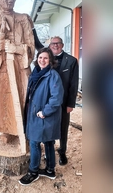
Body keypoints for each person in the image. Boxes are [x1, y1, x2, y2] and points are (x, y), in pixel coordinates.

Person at [0, 0, 35, 137]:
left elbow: (32, 46)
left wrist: (18, 49)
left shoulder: (24, 19)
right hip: (1, 66)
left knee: (24, 96)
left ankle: (24, 131)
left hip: (20, 67)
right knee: (2, 99)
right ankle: (7, 130)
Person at [19, 48, 63, 186]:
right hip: (35, 113)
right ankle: (50, 170)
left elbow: (56, 98)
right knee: (49, 142)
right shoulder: (35, 73)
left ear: (50, 61)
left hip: (44, 115)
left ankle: (33, 172)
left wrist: (45, 111)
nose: (42, 60)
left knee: (34, 142)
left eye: (45, 58)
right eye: (40, 58)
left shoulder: (52, 75)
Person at [48, 36, 79, 165]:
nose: (55, 45)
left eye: (58, 43)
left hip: (64, 101)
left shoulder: (71, 61)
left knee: (63, 127)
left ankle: (62, 151)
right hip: (48, 101)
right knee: (49, 126)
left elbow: (74, 84)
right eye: (53, 44)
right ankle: (49, 152)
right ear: (50, 46)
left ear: (62, 45)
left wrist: (71, 103)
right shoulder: (46, 59)